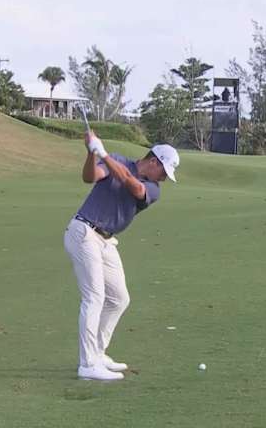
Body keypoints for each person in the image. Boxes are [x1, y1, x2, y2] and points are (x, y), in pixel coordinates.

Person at [63, 131, 180, 380]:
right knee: (94, 297)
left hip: (106, 241)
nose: (164, 179)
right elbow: (91, 176)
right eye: (164, 172)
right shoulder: (117, 160)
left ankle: (97, 352)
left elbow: (133, 185)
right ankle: (87, 364)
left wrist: (103, 152)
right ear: (154, 161)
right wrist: (91, 153)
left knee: (119, 299)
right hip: (84, 232)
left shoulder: (153, 189)